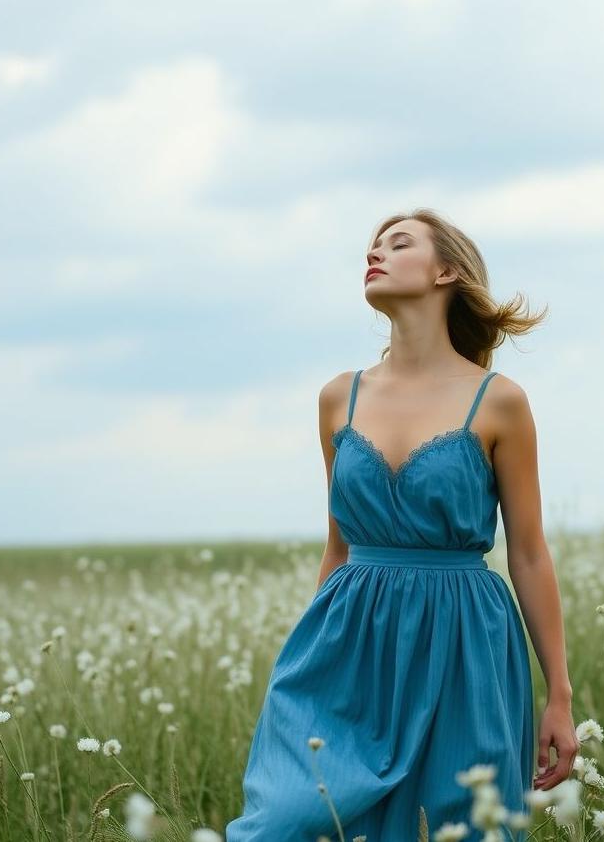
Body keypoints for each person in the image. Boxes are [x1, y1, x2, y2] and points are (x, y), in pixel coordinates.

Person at [225, 207, 577, 841]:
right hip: (349, 634)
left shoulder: (499, 400)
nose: (375, 253)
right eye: (372, 245)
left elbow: (527, 553)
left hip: (465, 638)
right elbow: (338, 547)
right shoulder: (340, 397)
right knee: (285, 819)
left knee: (470, 827)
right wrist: (314, 656)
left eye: (399, 242)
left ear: (446, 270)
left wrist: (560, 696)